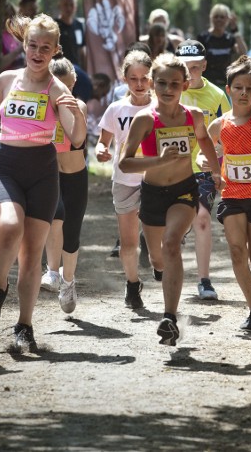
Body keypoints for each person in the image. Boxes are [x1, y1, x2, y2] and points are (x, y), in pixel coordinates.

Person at [0, 14, 86, 351]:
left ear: (55, 51)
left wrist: (76, 114)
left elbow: (77, 139)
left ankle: (24, 324)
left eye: (45, 48)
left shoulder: (57, 89)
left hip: (42, 171)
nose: (38, 52)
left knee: (31, 253)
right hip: (7, 164)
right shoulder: (7, 79)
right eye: (33, 45)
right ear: (24, 45)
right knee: (9, 227)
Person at [119, 53, 223, 346]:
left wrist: (216, 172)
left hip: (183, 190)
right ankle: (157, 265)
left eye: (174, 84)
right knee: (158, 258)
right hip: (152, 193)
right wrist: (157, 161)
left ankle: (169, 317)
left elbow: (205, 141)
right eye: (161, 83)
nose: (167, 89)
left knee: (172, 243)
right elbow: (125, 164)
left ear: (185, 85)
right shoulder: (144, 120)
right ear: (152, 84)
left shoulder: (195, 116)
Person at [207, 57, 251, 330]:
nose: (244, 93)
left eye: (249, 88)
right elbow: (206, 152)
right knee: (237, 252)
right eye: (238, 87)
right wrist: (208, 165)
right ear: (229, 90)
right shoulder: (219, 125)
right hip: (232, 195)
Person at [95, 50, 157, 310]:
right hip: (125, 180)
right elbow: (103, 142)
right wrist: (101, 151)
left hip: (157, 178)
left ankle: (161, 266)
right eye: (134, 79)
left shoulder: (160, 108)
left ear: (153, 78)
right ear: (124, 79)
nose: (140, 84)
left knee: (159, 241)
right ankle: (132, 285)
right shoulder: (116, 109)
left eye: (145, 78)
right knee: (129, 241)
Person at [177, 40, 231, 300]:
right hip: (170, 168)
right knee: (175, 221)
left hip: (205, 169)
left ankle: (204, 280)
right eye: (186, 68)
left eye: (196, 67)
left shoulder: (218, 96)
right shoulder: (169, 91)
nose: (191, 73)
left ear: (205, 65)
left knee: (201, 218)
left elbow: (229, 129)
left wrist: (219, 152)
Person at [40, 56, 89, 314]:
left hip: (76, 177)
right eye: (57, 85)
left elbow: (76, 136)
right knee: (54, 217)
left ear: (74, 81)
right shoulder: (42, 107)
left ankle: (68, 282)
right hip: (50, 174)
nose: (63, 91)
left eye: (67, 85)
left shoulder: (78, 105)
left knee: (71, 235)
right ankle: (51, 271)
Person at [197, 4, 247, 89]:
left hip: (225, 84)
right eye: (216, 17)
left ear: (228, 19)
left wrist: (235, 29)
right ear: (211, 18)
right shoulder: (203, 38)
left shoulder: (230, 39)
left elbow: (243, 52)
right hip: (207, 85)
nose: (219, 19)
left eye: (222, 17)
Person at [56, 0, 86, 69]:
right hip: (58, 68)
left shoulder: (79, 25)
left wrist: (85, 69)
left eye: (71, 5)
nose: (68, 8)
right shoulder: (54, 25)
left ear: (75, 7)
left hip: (75, 68)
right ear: (59, 6)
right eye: (65, 5)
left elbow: (81, 49)